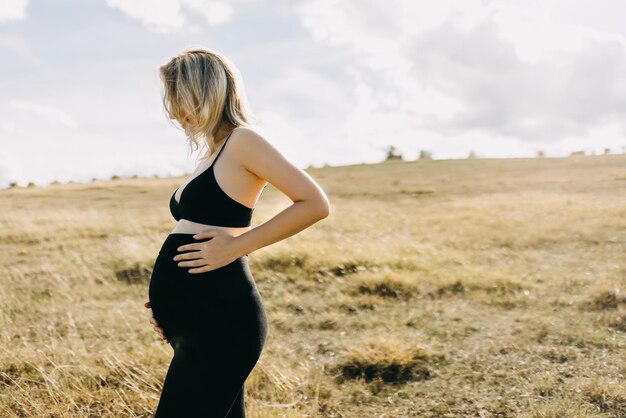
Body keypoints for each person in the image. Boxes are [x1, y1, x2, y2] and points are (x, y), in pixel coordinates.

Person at [143, 47, 330, 417]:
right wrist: (171, 304)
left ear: (206, 91)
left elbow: (314, 203)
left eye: (180, 98)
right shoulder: (210, 154)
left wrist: (237, 247)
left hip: (222, 319)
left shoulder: (244, 141)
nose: (175, 111)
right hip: (198, 318)